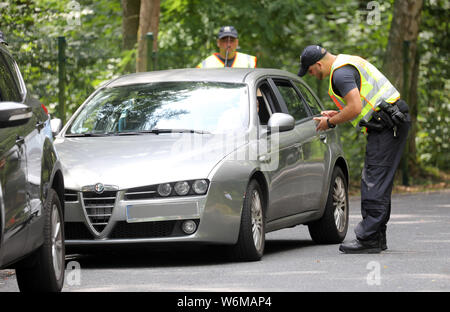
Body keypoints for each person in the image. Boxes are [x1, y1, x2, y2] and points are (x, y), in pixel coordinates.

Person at [298, 45, 410, 254]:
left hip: (387, 125)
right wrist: (337, 112)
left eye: (311, 70)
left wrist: (330, 123)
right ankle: (377, 236)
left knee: (373, 181)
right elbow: (358, 104)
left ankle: (368, 239)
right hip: (390, 121)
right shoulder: (346, 62)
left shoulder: (339, 74)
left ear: (319, 63)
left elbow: (355, 108)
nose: (312, 75)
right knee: (378, 181)